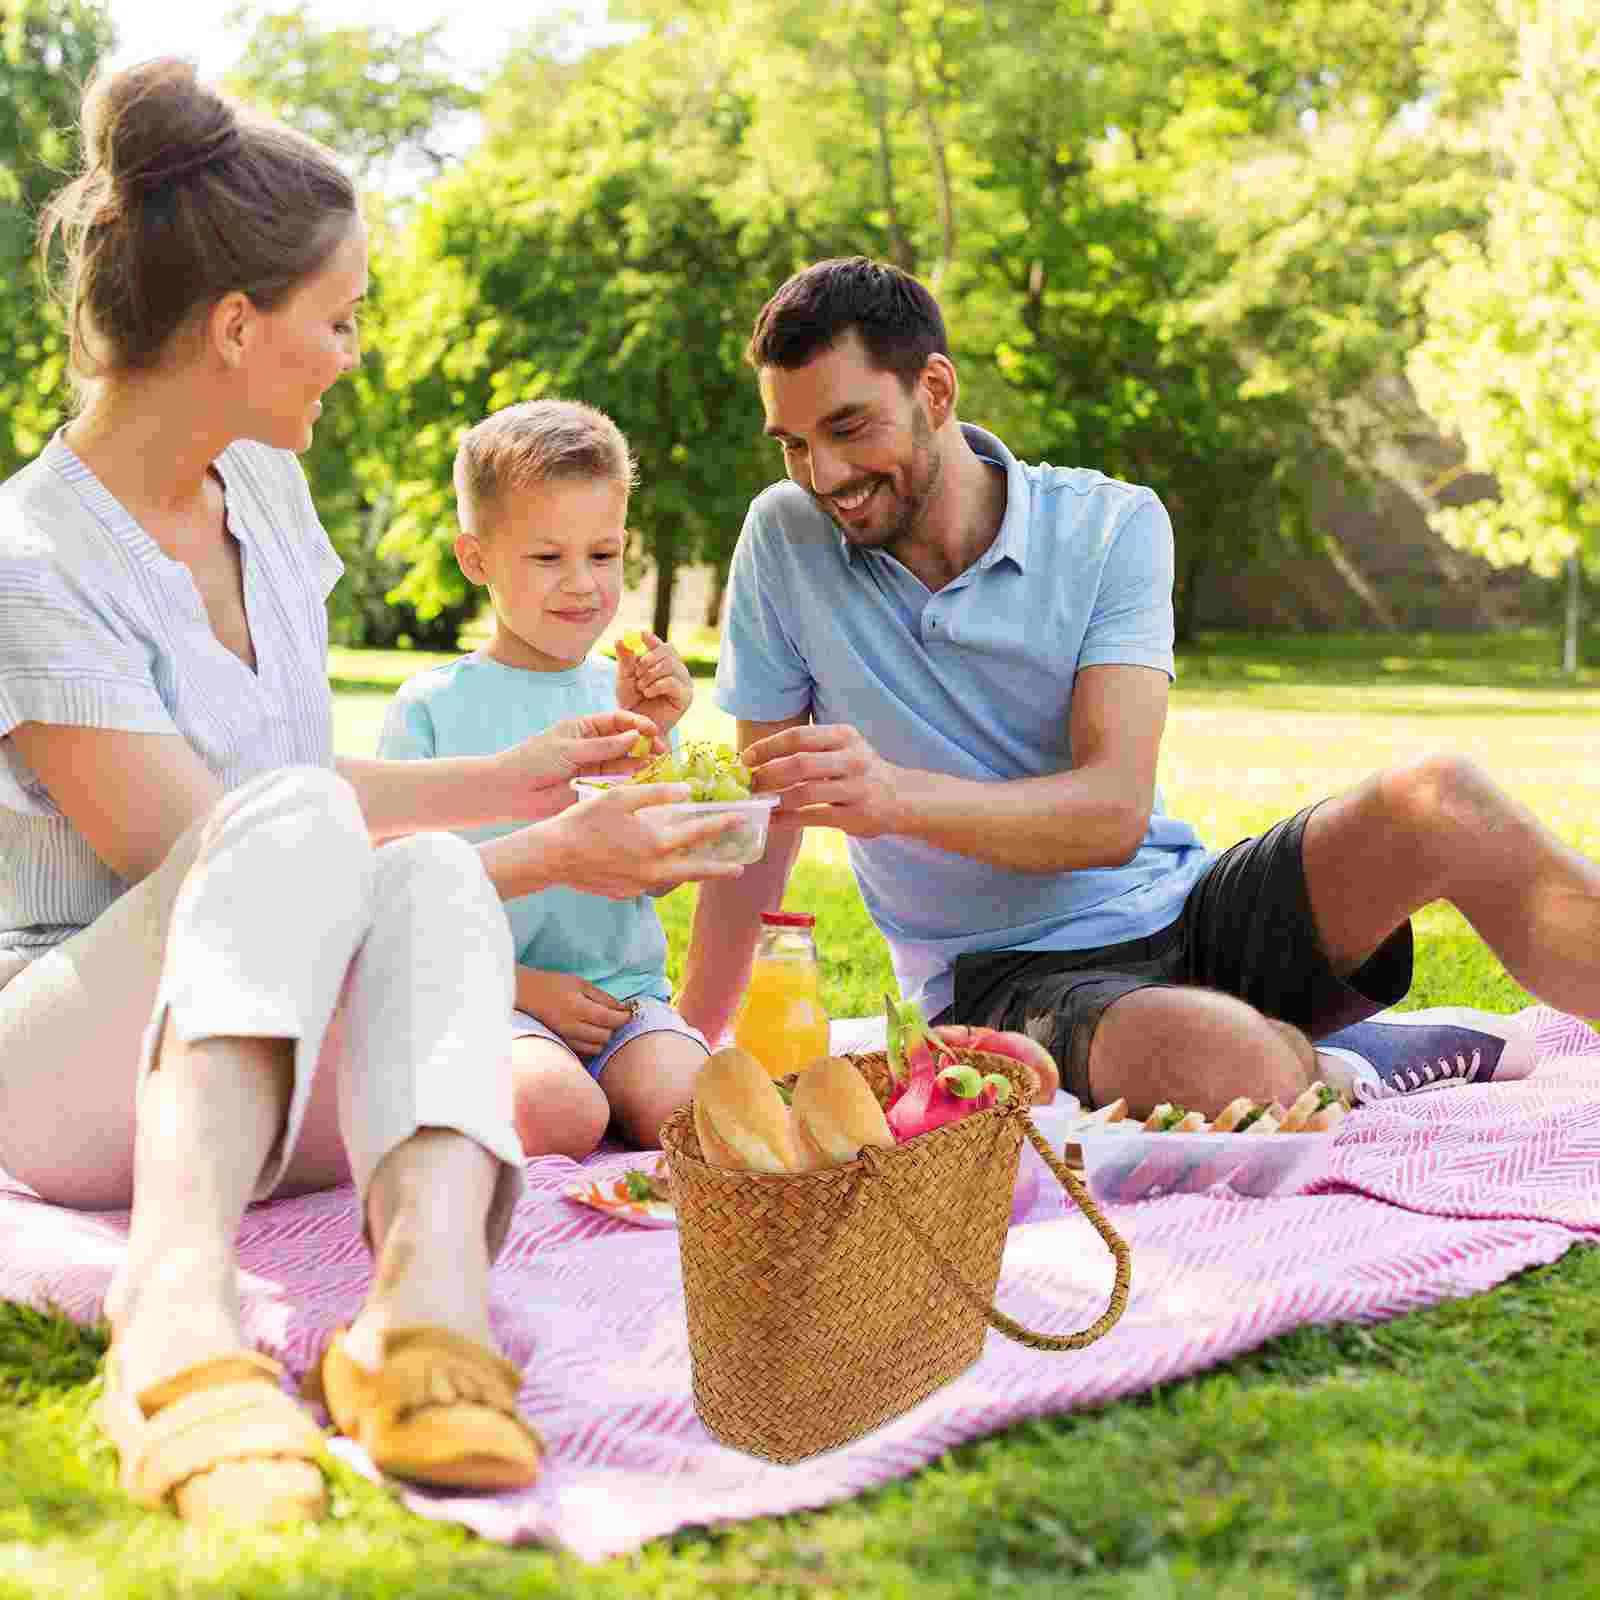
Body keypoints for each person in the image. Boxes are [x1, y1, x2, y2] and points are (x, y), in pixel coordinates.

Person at [0, 59, 741, 1527]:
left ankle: (423, 1307)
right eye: (334, 322)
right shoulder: (32, 561)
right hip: (59, 1064)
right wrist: (551, 847)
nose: (350, 354)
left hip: (268, 1032)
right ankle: (177, 1302)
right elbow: (227, 860)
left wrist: (512, 784)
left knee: (423, 873)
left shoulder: (264, 494)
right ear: (234, 328)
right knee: (360, 851)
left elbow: (309, 813)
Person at [675, 255, 1592, 1117]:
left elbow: (1112, 814)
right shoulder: (784, 538)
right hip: (1006, 976)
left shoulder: (1111, 526)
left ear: (936, 390)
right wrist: (690, 1043)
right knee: (1234, 1067)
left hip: (1187, 908)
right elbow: (760, 823)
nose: (823, 475)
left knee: (1442, 801)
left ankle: (1320, 1048)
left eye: (847, 427)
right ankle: (1350, 1061)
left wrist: (891, 798)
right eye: (793, 443)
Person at [377, 399, 712, 1160]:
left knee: (694, 1113)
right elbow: (402, 899)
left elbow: (658, 882)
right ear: (477, 560)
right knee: (561, 1113)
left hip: (623, 1000)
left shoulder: (628, 700)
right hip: (486, 995)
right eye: (547, 557)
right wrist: (522, 988)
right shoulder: (432, 707)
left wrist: (655, 742)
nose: (583, 585)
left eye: (603, 555)